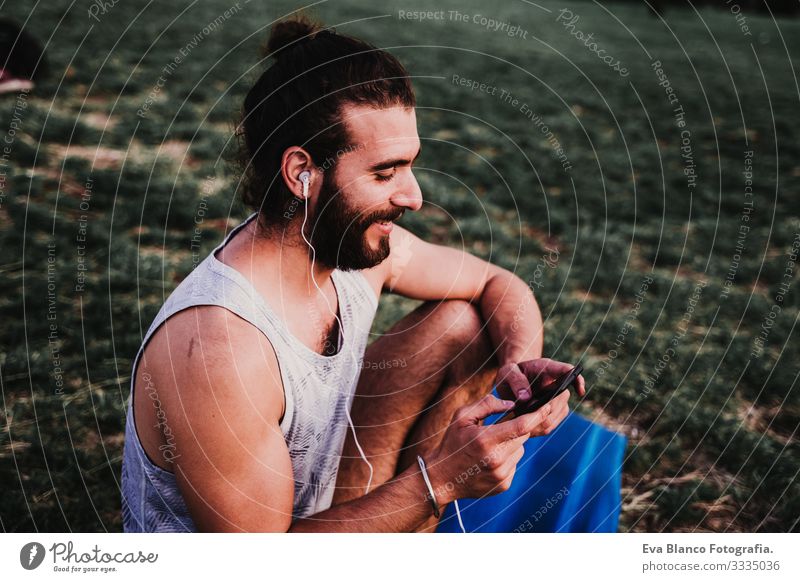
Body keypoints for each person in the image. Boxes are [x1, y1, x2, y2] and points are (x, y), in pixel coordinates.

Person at [120, 14, 586, 533]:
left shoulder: (348, 247)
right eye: (384, 173)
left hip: (320, 510)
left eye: (409, 166)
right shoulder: (219, 348)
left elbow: (499, 285)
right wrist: (440, 482)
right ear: (302, 173)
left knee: (464, 325)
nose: (414, 196)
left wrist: (519, 371)